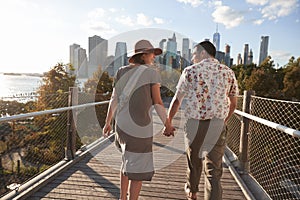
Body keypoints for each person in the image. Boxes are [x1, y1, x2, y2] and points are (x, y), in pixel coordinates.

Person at [164, 41, 238, 200]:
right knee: (214, 171)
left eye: (194, 54)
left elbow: (177, 101)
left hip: (194, 125)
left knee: (194, 162)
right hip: (217, 125)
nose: (192, 58)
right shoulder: (228, 72)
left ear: (203, 53)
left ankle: (192, 193)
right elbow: (233, 103)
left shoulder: (190, 71)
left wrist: (168, 122)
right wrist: (224, 120)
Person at [103, 39, 173, 200]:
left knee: (127, 160)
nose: (153, 57)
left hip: (121, 125)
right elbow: (157, 102)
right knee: (138, 171)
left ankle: (122, 197)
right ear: (144, 55)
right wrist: (167, 124)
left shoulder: (121, 71)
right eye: (151, 54)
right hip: (139, 127)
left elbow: (114, 99)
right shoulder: (151, 73)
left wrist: (108, 122)